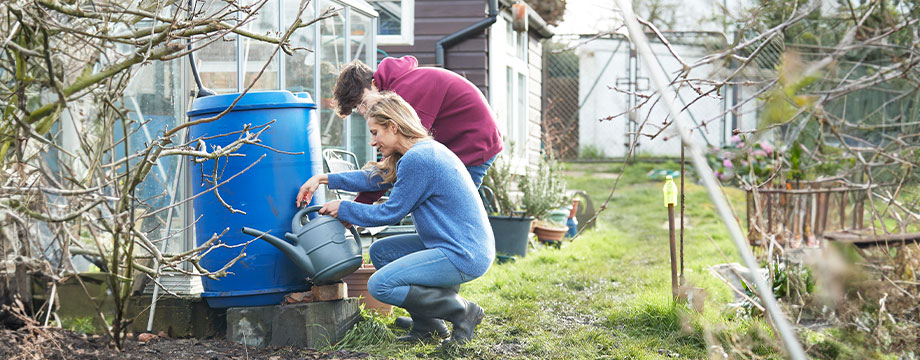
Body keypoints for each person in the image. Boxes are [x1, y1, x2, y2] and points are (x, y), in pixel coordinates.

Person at [296, 92, 495, 344]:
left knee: (380, 286)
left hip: (463, 253)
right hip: (455, 244)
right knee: (382, 251)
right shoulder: (417, 153)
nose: (372, 141)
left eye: (375, 132)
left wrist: (344, 208)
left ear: (393, 126)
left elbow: (390, 212)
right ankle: (428, 328)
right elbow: (374, 178)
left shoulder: (420, 159)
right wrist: (323, 179)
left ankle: (464, 312)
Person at [333, 55, 502, 201]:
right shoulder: (396, 91)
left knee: (453, 211)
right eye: (357, 109)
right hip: (457, 143)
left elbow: (399, 160)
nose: (363, 111)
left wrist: (358, 207)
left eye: (362, 102)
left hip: (473, 143)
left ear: (374, 84)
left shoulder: (405, 93)